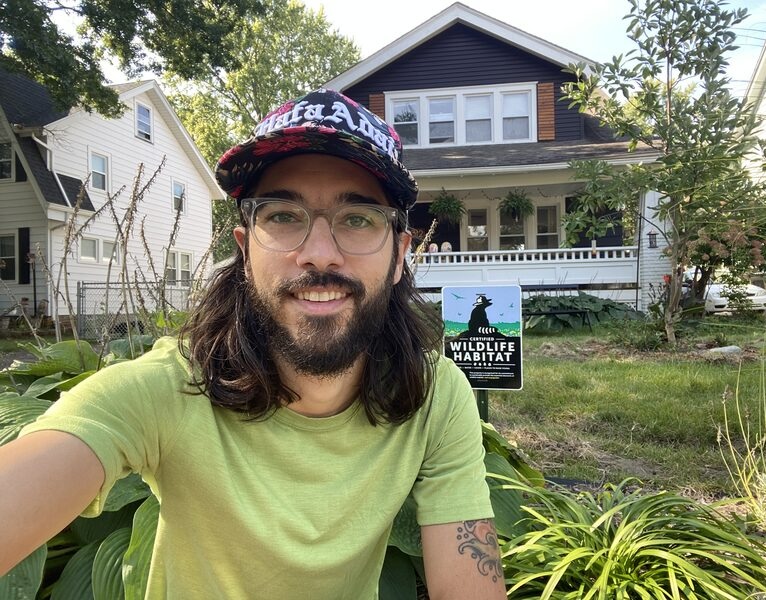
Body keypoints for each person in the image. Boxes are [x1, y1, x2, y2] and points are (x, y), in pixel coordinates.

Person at [0, 89, 506, 599]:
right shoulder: (167, 392)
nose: (320, 254)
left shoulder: (435, 396)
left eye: (358, 219)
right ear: (245, 251)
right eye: (283, 215)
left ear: (399, 256)